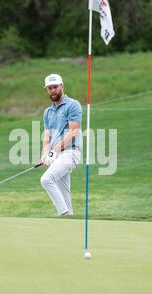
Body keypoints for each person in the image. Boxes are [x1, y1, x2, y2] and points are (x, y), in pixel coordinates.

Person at [40, 74, 83, 216]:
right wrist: (45, 155)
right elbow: (47, 138)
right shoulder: (48, 112)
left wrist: (54, 151)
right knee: (64, 193)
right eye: (49, 88)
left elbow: (73, 132)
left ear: (62, 86)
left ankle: (63, 213)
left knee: (46, 179)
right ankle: (68, 217)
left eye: (55, 87)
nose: (53, 91)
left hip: (71, 152)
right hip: (57, 155)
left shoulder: (73, 105)